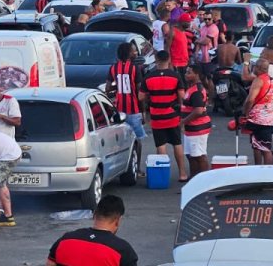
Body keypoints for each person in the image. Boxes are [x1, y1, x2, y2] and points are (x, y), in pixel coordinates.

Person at [139, 50, 187, 183]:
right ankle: (182, 173)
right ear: (169, 59)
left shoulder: (148, 77)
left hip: (157, 117)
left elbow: (141, 96)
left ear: (156, 60)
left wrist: (151, 96)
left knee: (161, 145)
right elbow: (182, 97)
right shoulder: (176, 76)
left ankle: (164, 174)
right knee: (177, 143)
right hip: (172, 116)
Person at [47, 195, 138, 266]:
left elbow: (50, 263)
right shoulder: (123, 250)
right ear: (118, 220)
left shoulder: (65, 240)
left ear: (94, 215)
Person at [106, 43, 144, 174]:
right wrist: (143, 111)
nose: (135, 53)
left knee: (119, 141)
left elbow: (108, 88)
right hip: (133, 110)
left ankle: (118, 167)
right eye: (133, 51)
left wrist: (118, 88)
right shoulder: (135, 69)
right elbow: (140, 92)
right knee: (137, 140)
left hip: (119, 110)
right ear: (128, 53)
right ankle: (136, 168)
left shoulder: (113, 68)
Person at [241, 58, 273, 166]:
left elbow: (250, 99)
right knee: (262, 145)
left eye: (254, 66)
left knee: (262, 148)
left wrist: (245, 113)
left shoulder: (259, 80)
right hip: (269, 118)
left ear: (258, 68)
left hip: (257, 118)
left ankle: (264, 174)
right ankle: (266, 173)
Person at [180, 65, 211, 176]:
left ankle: (204, 181)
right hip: (191, 128)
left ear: (196, 75)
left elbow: (198, 110)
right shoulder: (191, 88)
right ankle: (193, 179)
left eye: (189, 73)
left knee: (199, 155)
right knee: (190, 155)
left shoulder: (197, 90)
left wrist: (183, 122)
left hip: (198, 128)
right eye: (186, 72)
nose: (186, 75)